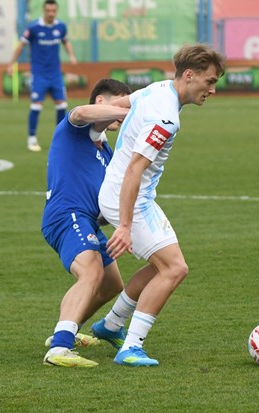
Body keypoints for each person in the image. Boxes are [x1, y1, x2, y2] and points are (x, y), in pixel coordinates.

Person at [93, 44, 226, 367]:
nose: (212, 90)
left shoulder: (158, 89)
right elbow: (134, 169)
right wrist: (124, 225)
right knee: (175, 268)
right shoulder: (165, 118)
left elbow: (120, 105)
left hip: (127, 194)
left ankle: (110, 326)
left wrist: (90, 123)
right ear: (190, 75)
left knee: (159, 265)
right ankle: (130, 347)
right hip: (130, 199)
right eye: (209, 81)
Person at [41, 78, 132, 368]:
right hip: (66, 214)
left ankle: (66, 328)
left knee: (111, 284)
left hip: (88, 221)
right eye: (120, 103)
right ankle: (59, 348)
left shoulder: (105, 151)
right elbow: (80, 112)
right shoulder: (76, 129)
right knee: (91, 271)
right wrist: (126, 113)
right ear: (101, 103)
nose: (125, 110)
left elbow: (105, 202)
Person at [8, 0, 77, 152]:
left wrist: (71, 55)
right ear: (43, 11)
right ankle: (32, 139)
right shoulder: (33, 28)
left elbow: (66, 41)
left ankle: (61, 138)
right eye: (48, 11)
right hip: (39, 75)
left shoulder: (60, 27)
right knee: (36, 105)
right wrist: (11, 64)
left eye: (53, 11)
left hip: (55, 74)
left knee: (61, 104)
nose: (51, 14)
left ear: (56, 11)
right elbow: (20, 46)